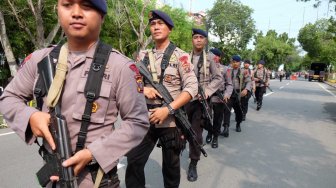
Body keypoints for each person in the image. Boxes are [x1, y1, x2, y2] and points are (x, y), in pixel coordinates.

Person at [0, 1, 150, 187]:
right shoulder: (39, 60)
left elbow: (138, 122)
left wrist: (93, 153)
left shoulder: (121, 67)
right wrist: (30, 116)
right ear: (58, 10)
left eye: (86, 6)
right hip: (54, 176)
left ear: (102, 16)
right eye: (67, 4)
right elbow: (8, 98)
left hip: (97, 179)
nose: (76, 13)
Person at [125, 10, 198, 188]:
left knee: (171, 170)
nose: (156, 27)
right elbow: (129, 82)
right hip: (146, 119)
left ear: (170, 28)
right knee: (134, 161)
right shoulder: (142, 56)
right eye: (153, 24)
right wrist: (144, 90)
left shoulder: (181, 56)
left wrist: (168, 109)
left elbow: (192, 87)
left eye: (160, 23)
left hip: (170, 122)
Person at [185, 28, 222, 182]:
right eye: (195, 37)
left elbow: (218, 78)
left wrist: (207, 91)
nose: (198, 40)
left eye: (201, 37)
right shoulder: (184, 57)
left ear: (205, 41)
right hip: (185, 100)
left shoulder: (211, 58)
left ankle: (193, 163)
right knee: (178, 132)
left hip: (201, 102)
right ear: (192, 40)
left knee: (196, 134)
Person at [209, 48, 232, 148]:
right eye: (211, 55)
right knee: (206, 118)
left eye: (215, 56)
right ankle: (210, 132)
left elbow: (229, 84)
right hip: (207, 97)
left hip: (219, 97)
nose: (213, 57)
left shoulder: (226, 69)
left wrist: (227, 94)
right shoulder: (204, 67)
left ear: (219, 57)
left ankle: (215, 137)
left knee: (218, 119)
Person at [222, 55, 251, 134]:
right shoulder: (227, 70)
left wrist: (246, 89)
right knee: (227, 110)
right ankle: (226, 127)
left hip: (239, 93)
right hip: (229, 93)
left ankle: (238, 124)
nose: (235, 64)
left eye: (237, 62)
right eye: (233, 62)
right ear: (231, 62)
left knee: (239, 111)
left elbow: (248, 81)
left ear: (240, 63)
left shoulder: (243, 71)